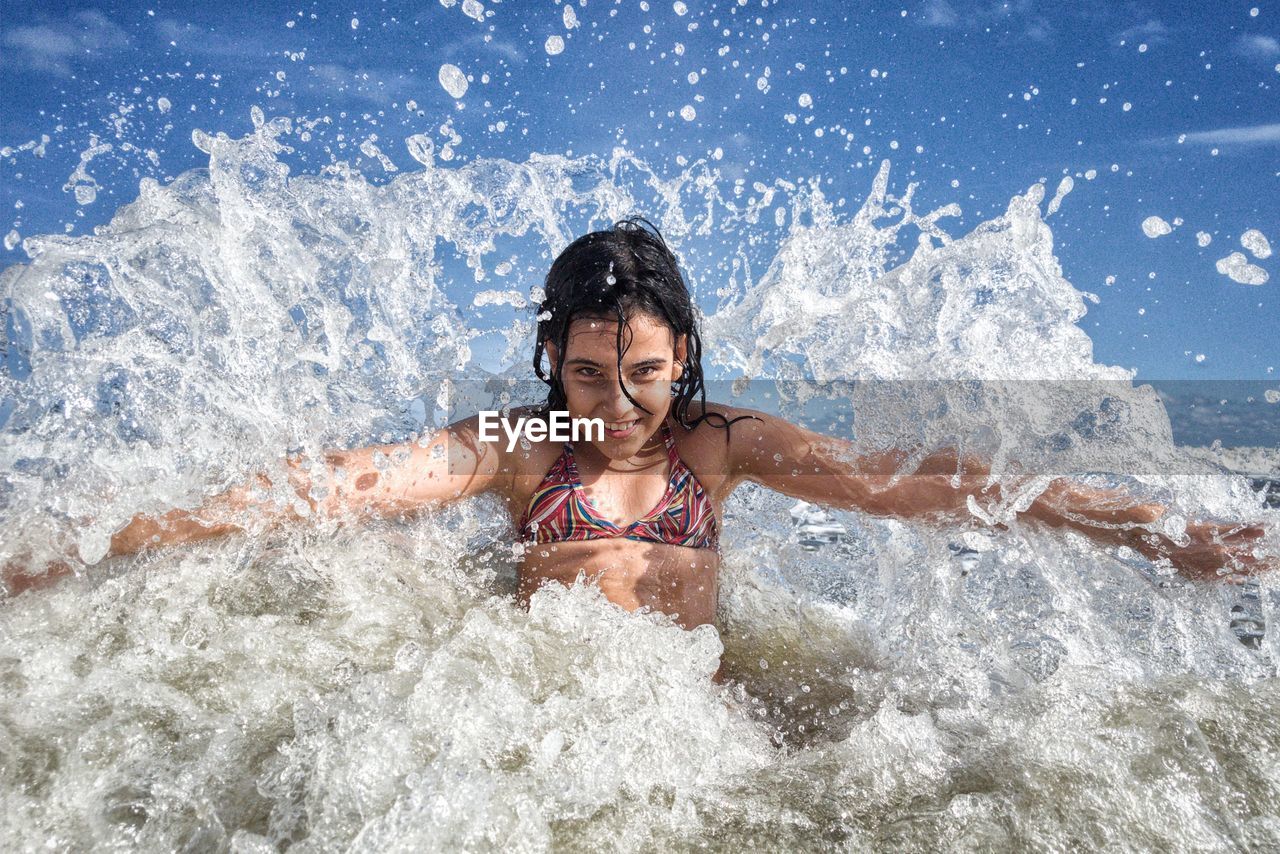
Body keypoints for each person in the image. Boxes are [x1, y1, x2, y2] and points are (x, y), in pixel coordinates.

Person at [3, 218, 1271, 678]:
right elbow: (329, 489)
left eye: (648, 374)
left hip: (692, 711)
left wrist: (1161, 531)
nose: (618, 403)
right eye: (591, 372)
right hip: (554, 708)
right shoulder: (513, 448)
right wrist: (90, 539)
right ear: (552, 354)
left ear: (686, 361)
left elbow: (928, 485)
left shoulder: (720, 446)